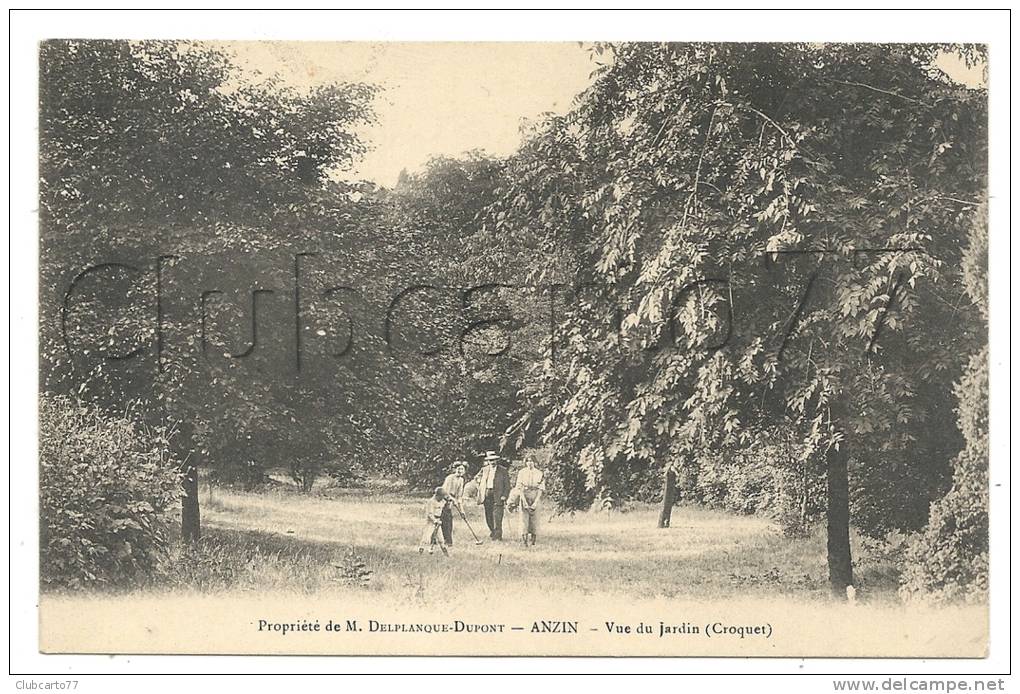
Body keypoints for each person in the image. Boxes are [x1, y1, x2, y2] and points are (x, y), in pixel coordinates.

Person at [473, 450, 510, 541]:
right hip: (487, 494)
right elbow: (476, 477)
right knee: (488, 515)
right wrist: (480, 484)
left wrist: (505, 495)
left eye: (493, 460)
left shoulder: (503, 470)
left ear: (496, 460)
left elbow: (507, 485)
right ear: (488, 461)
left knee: (497, 516)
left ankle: (498, 536)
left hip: (498, 495)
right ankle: (492, 532)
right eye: (490, 460)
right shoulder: (484, 469)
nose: (492, 462)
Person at [514, 454, 546, 546]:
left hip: (535, 495)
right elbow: (519, 487)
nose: (530, 463)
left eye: (531, 461)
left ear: (535, 462)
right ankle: (524, 541)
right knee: (524, 519)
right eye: (528, 461)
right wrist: (524, 501)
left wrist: (536, 502)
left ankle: (533, 541)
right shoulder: (522, 473)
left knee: (534, 518)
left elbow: (541, 488)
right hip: (524, 494)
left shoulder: (539, 473)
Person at [440, 461, 467, 546]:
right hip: (441, 500)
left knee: (448, 521)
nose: (460, 471)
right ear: (454, 469)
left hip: (450, 502)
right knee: (442, 521)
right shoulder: (450, 478)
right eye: (458, 469)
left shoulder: (461, 480)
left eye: (462, 469)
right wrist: (452, 499)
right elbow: (445, 492)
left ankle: (448, 541)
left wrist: (462, 511)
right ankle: (439, 540)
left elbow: (459, 496)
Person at [418, 486, 451, 555]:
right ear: (437, 495)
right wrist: (435, 520)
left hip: (438, 521)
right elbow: (430, 514)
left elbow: (446, 506)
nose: (442, 498)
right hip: (431, 522)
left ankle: (446, 554)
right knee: (426, 538)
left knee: (441, 539)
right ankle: (420, 552)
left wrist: (449, 502)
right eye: (441, 496)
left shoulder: (442, 501)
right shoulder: (431, 502)